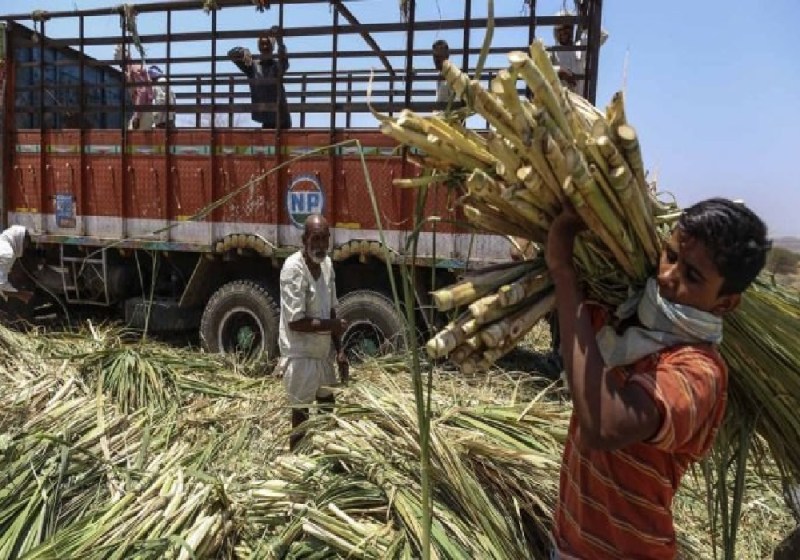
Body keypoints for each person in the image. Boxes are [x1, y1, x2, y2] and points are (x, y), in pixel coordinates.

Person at [545, 198, 770, 559]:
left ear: (725, 303)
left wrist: (562, 271)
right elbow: (576, 331)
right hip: (569, 540)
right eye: (670, 255)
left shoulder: (698, 372)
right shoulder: (626, 318)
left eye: (692, 276)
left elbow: (604, 427)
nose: (666, 275)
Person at [277, 214, 348, 451]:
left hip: (322, 353)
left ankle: (327, 457)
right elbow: (295, 322)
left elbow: (331, 309)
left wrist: (340, 350)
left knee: (328, 407)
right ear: (304, 239)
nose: (320, 246)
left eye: (324, 239)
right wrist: (332, 327)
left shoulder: (327, 265)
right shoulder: (293, 270)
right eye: (315, 239)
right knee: (301, 416)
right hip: (300, 356)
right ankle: (297, 462)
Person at [228, 26, 292, 129]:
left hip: (281, 118)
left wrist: (280, 42)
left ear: (272, 46)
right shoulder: (252, 65)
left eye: (268, 43)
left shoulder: (276, 66)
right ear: (259, 46)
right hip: (266, 118)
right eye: (262, 44)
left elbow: (284, 62)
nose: (265, 46)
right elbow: (232, 54)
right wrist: (242, 51)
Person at [549, 9, 608, 95]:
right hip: (560, 104)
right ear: (556, 32)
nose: (563, 32)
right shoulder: (553, 52)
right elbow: (541, 70)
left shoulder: (581, 46)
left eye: (567, 28)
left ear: (572, 29)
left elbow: (603, 36)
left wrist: (586, 26)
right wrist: (559, 71)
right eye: (560, 30)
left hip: (581, 102)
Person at [114, 45, 154, 130]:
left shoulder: (134, 69)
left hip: (143, 112)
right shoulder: (130, 70)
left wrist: (137, 117)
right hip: (142, 110)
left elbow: (142, 92)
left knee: (135, 140)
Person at [0, 225, 33, 303]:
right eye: (25, 243)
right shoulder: (7, 253)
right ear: (19, 239)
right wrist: (19, 294)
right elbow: (1, 284)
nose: (25, 247)